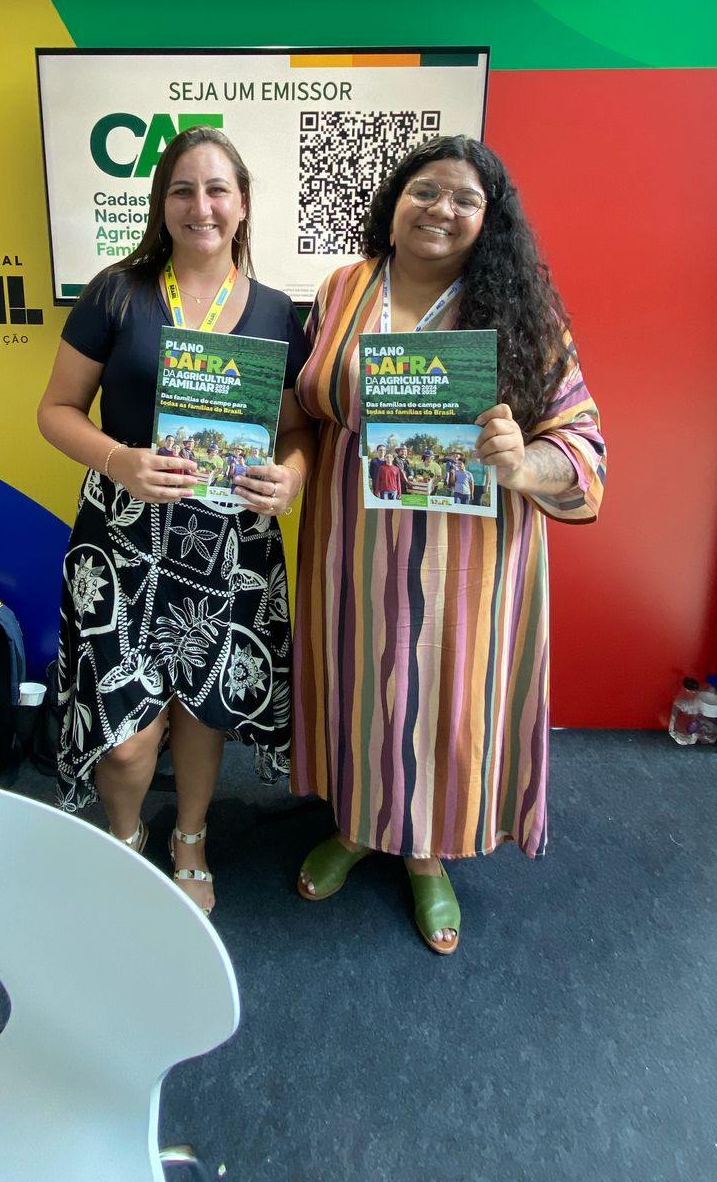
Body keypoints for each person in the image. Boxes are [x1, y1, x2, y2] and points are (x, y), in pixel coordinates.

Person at [292, 134, 605, 955]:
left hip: (465, 558)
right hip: (352, 544)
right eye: (425, 190)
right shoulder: (342, 289)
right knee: (360, 686)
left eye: (467, 199)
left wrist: (522, 461)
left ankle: (426, 852)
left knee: (444, 697)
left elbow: (582, 444)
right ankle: (359, 826)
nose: (442, 209)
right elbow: (308, 406)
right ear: (395, 203)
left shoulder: (522, 313)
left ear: (490, 221)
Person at [37, 127, 312, 914]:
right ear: (162, 204)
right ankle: (125, 838)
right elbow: (55, 411)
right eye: (183, 190)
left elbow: (299, 433)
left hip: (230, 544)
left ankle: (190, 836)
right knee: (128, 736)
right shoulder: (116, 293)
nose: (201, 206)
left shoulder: (275, 311)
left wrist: (290, 479)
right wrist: (118, 459)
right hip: (122, 539)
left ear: (243, 203)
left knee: (203, 707)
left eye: (218, 189)